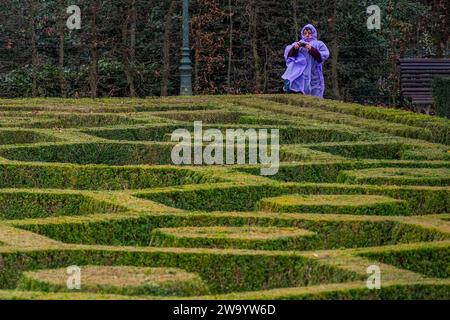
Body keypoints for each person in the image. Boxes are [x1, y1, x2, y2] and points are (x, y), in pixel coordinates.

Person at [282, 24, 330, 98]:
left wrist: (311, 49)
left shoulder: (319, 44)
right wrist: (295, 48)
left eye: (309, 33)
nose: (307, 35)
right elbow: (289, 57)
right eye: (305, 33)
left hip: (314, 72)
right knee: (300, 93)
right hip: (301, 74)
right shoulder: (297, 44)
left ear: (313, 33)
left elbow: (323, 56)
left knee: (315, 93)